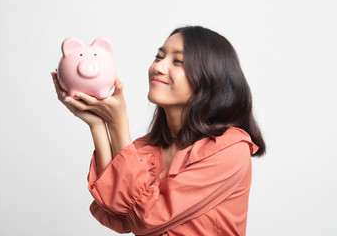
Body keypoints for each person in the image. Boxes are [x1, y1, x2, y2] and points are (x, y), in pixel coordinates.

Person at [52, 25, 266, 236]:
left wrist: (118, 122)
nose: (159, 67)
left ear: (210, 78)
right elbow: (116, 213)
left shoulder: (230, 151)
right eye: (159, 57)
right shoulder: (146, 149)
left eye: (178, 61)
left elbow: (146, 217)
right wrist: (98, 124)